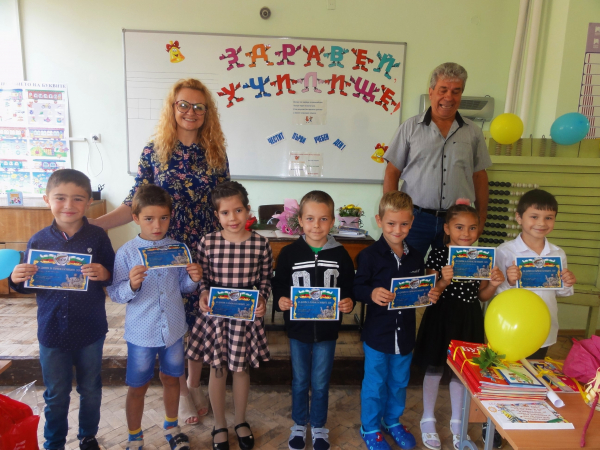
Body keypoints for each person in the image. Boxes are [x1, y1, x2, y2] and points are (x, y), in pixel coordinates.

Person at [92, 78, 230, 423]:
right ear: (172, 107)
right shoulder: (154, 151)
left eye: (199, 106)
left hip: (204, 248)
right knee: (173, 315)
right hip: (163, 248)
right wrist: (97, 225)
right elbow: (136, 201)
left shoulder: (215, 151)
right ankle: (182, 392)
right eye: (184, 104)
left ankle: (193, 384)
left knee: (200, 319)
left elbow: (224, 202)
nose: (191, 112)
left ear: (207, 112)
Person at [10, 169, 115, 450]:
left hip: (90, 329)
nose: (69, 205)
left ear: (89, 202)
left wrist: (105, 273)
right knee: (56, 393)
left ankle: (87, 436)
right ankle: (54, 442)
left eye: (78, 198)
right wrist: (16, 279)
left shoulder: (98, 238)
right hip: (52, 330)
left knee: (90, 389)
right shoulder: (38, 240)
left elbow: (113, 274)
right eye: (60, 198)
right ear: (47, 199)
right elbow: (28, 285)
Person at [107, 185, 203, 450]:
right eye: (149, 218)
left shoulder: (178, 248)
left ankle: (172, 427)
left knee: (171, 379)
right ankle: (134, 437)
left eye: (163, 218)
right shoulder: (127, 252)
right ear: (136, 218)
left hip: (173, 330)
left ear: (171, 216)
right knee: (138, 386)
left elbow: (184, 287)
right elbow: (115, 294)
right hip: (141, 333)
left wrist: (194, 279)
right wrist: (132, 285)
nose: (157, 225)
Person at [412, 201, 507, 450]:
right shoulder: (438, 254)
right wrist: (443, 281)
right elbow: (430, 293)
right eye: (459, 227)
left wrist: (494, 284)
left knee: (462, 372)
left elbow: (482, 296)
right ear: (447, 228)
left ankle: (458, 421)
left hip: (469, 318)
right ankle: (427, 418)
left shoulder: (483, 257)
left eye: (472, 227)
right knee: (434, 368)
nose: (466, 233)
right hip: (441, 317)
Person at [186, 181, 273, 450]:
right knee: (218, 369)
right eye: (225, 212)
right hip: (216, 319)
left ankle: (241, 420)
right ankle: (219, 423)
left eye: (238, 210)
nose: (232, 218)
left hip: (244, 319)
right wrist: (203, 292)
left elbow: (265, 280)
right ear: (217, 215)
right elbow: (203, 278)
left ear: (248, 210)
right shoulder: (208, 242)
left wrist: (262, 299)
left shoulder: (261, 243)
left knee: (241, 370)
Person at [353, 191, 440, 450]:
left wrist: (430, 293)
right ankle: (369, 427)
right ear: (379, 221)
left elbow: (420, 289)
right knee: (375, 384)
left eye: (404, 224)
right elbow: (357, 288)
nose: (397, 230)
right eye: (391, 223)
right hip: (377, 336)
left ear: (412, 222)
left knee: (399, 382)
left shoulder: (416, 256)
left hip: (405, 336)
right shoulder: (369, 255)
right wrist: (371, 293)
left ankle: (391, 421)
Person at [272, 190, 356, 450]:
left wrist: (349, 301)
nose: (316, 225)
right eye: (310, 219)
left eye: (323, 219)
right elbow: (279, 284)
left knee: (320, 382)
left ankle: (318, 425)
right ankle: (299, 423)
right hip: (298, 330)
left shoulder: (341, 254)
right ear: (300, 220)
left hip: (328, 332)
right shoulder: (289, 253)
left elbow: (348, 287)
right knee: (299, 381)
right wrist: (281, 300)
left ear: (332, 221)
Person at [382, 62, 492, 258]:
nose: (448, 97)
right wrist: (391, 215)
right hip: (414, 219)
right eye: (443, 90)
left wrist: (481, 218)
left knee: (452, 273)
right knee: (407, 270)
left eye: (456, 91)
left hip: (458, 221)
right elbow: (392, 171)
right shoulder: (410, 128)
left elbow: (479, 176)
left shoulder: (473, 132)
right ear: (431, 91)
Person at [496, 189, 576, 359]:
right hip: (512, 326)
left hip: (543, 327)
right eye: (534, 216)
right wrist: (509, 281)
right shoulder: (505, 251)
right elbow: (495, 291)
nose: (541, 223)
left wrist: (567, 282)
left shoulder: (557, 253)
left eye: (549, 218)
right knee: (508, 369)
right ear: (519, 218)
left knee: (535, 368)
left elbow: (560, 292)